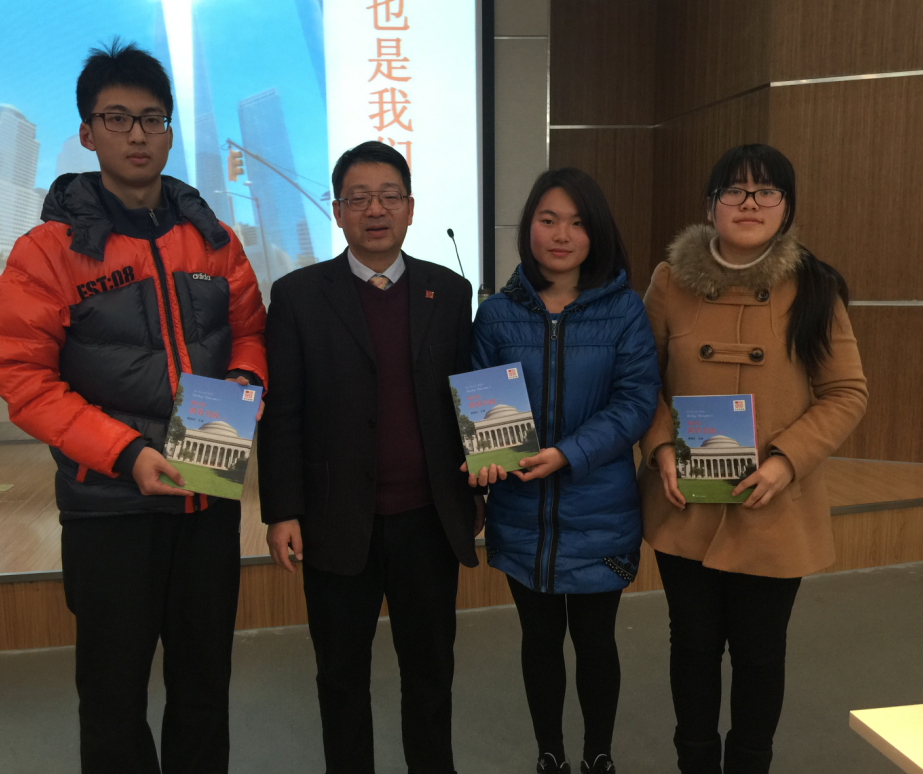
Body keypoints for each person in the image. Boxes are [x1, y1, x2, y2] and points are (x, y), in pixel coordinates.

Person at [0, 41, 266, 774]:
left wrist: (243, 383)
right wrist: (125, 452)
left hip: (206, 499)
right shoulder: (47, 251)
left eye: (152, 119)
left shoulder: (213, 239)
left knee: (204, 689)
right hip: (109, 506)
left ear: (169, 132)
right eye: (117, 118)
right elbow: (20, 374)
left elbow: (248, 332)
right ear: (87, 133)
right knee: (112, 699)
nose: (137, 134)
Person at [638, 144, 868, 774]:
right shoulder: (669, 282)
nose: (749, 203)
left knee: (761, 654)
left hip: (774, 503)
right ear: (710, 204)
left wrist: (787, 460)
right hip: (686, 500)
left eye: (766, 191)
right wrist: (660, 445)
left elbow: (846, 392)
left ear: (786, 207)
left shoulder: (815, 287)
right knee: (692, 647)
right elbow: (641, 381)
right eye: (734, 191)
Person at [258, 141, 484, 774]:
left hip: (428, 520)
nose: (375, 210)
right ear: (337, 212)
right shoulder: (299, 295)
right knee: (340, 679)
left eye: (389, 196)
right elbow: (284, 411)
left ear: (410, 208)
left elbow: (467, 394)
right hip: (335, 519)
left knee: (431, 675)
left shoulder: (450, 290)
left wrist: (478, 488)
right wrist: (282, 511)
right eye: (358, 199)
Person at [468, 168, 661, 774]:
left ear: (595, 233)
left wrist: (569, 453)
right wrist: (482, 457)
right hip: (521, 511)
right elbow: (477, 401)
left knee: (597, 642)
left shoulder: (625, 311)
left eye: (577, 223)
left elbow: (636, 402)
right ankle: (549, 754)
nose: (561, 235)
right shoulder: (496, 315)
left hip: (600, 510)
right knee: (539, 642)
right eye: (548, 220)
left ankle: (598, 754)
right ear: (528, 226)